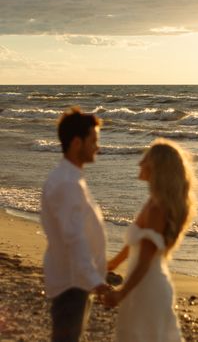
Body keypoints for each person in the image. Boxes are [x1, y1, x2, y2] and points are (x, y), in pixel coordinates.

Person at [104, 138, 198, 342]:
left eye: (145, 160)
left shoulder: (157, 209)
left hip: (147, 287)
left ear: (157, 169)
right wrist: (113, 263)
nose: (139, 164)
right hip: (143, 284)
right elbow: (134, 245)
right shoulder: (152, 202)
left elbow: (146, 260)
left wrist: (121, 293)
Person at [41, 107, 109, 342]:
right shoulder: (67, 184)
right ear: (77, 143)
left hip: (76, 279)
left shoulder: (69, 178)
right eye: (93, 141)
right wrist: (96, 282)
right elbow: (74, 238)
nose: (97, 148)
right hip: (72, 282)